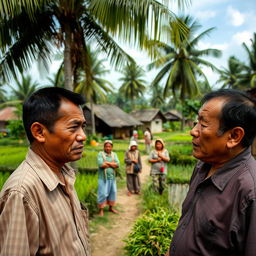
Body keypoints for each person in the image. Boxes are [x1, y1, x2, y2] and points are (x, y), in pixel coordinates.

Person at [0, 87, 91, 255]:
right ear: (39, 132)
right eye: (73, 127)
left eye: (83, 126)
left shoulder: (65, 173)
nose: (83, 136)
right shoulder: (22, 193)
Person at [168, 89, 256, 256]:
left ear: (234, 136)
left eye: (203, 124)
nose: (193, 131)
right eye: (196, 122)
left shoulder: (249, 191)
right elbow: (187, 225)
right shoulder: (202, 167)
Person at [97, 140, 120, 216]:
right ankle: (101, 209)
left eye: (109, 146)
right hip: (103, 178)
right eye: (106, 146)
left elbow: (117, 165)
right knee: (102, 193)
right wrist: (112, 164)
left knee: (113, 192)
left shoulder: (114, 154)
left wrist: (107, 163)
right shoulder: (100, 154)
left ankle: (111, 208)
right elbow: (101, 164)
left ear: (112, 147)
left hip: (112, 178)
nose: (108, 148)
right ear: (104, 147)